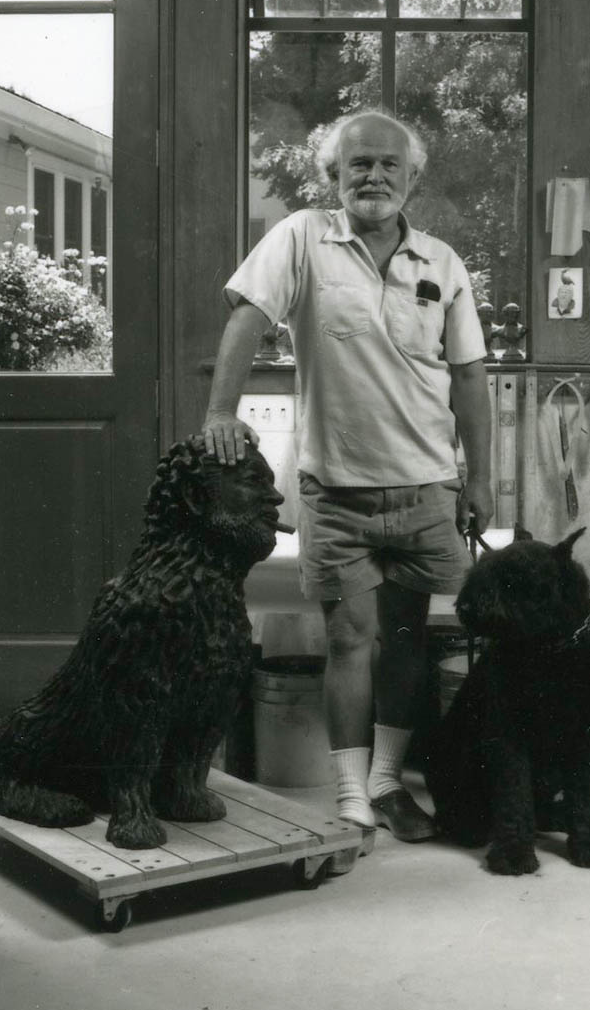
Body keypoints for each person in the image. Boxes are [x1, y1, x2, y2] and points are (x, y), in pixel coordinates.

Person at [202, 110, 493, 844]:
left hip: (427, 483)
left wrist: (481, 477)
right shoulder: (303, 236)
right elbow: (245, 317)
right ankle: (350, 796)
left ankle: (389, 785)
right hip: (336, 487)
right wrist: (218, 412)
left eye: (388, 166)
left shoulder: (442, 262)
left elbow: (469, 378)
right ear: (333, 175)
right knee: (349, 637)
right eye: (357, 164)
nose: (373, 177)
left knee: (405, 638)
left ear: (412, 178)